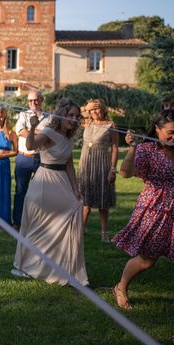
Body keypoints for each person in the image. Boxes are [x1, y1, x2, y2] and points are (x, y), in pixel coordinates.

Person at [112, 110, 174, 339]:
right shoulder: (147, 150)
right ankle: (121, 287)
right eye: (170, 132)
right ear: (157, 129)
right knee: (147, 260)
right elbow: (126, 173)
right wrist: (132, 148)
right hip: (156, 209)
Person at [12, 99, 88, 286]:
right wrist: (32, 128)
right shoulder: (49, 132)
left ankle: (67, 267)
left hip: (61, 180)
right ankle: (29, 265)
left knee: (75, 208)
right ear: (61, 114)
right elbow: (30, 146)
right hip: (44, 181)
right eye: (70, 115)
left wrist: (76, 190)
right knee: (40, 226)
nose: (74, 119)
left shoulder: (69, 138)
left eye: (77, 116)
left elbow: (69, 164)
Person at [77, 99, 118, 242]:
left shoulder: (111, 125)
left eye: (97, 109)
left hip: (101, 164)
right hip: (86, 163)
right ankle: (80, 230)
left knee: (103, 200)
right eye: (91, 110)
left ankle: (104, 234)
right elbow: (77, 112)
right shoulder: (87, 123)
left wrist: (112, 169)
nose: (94, 112)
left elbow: (114, 148)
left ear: (103, 109)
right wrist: (88, 106)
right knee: (85, 200)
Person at [13, 90, 47, 228]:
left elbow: (50, 135)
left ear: (41, 100)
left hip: (41, 158)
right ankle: (17, 221)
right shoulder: (23, 114)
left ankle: (37, 222)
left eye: (35, 100)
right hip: (24, 158)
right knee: (21, 190)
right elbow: (20, 131)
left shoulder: (48, 117)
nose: (33, 103)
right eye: (30, 100)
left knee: (40, 192)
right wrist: (41, 134)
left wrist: (32, 131)